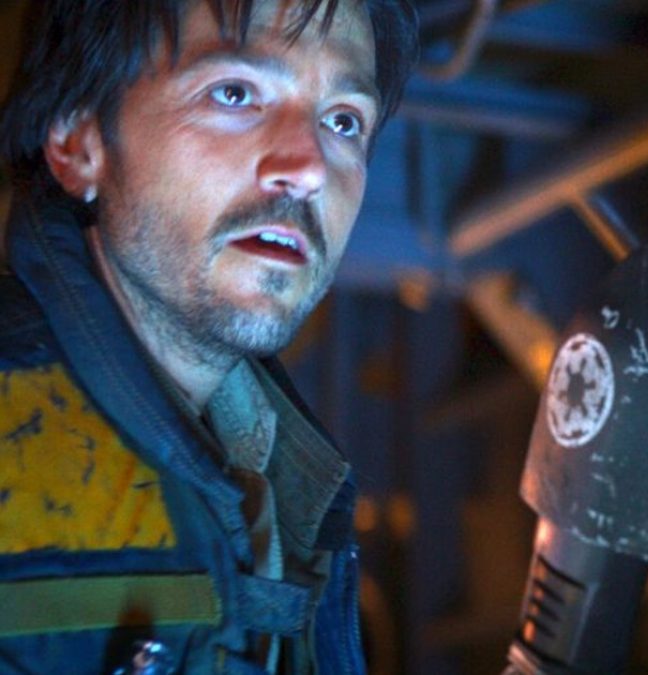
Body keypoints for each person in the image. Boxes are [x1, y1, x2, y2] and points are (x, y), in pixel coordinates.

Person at [0, 0, 417, 672]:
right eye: (235, 94)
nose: (309, 167)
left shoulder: (285, 490)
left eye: (344, 121)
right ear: (79, 143)